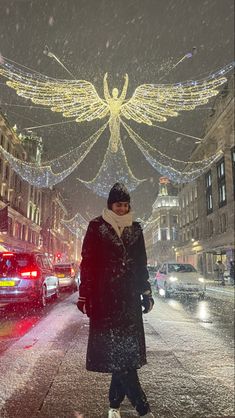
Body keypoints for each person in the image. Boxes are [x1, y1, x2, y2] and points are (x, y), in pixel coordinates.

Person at [77, 182, 154, 418]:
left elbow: (141, 262)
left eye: (125, 205)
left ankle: (114, 404)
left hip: (129, 298)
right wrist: (84, 293)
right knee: (121, 354)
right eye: (117, 205)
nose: (121, 209)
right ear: (110, 205)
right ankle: (142, 408)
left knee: (122, 353)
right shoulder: (96, 226)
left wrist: (146, 291)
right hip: (105, 297)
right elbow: (88, 261)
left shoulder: (136, 228)